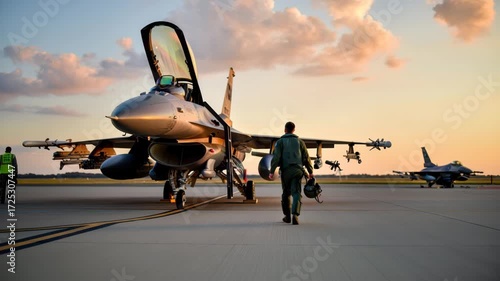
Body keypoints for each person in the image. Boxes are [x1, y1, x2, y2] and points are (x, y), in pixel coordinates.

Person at [269, 122, 313, 225]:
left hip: (286, 171)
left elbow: (276, 158)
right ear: (294, 130)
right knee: (296, 193)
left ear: (285, 129)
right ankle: (295, 215)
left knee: (286, 194)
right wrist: (310, 172)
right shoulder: (300, 142)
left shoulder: (280, 142)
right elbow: (306, 158)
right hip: (298, 171)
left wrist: (271, 171)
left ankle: (287, 217)